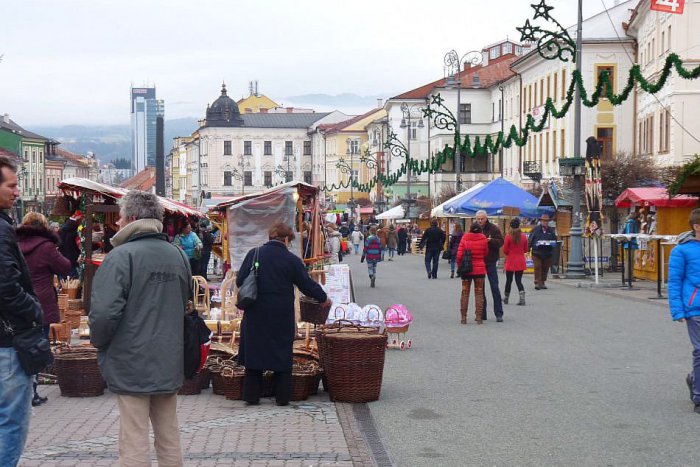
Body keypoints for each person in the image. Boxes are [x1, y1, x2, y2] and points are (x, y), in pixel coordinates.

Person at [90, 190, 190, 466]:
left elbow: (103, 314)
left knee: (133, 437)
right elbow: (185, 304)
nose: (118, 224)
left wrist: (100, 344)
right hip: (169, 357)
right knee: (169, 436)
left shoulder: (120, 257)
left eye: (120, 218)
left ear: (133, 218)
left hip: (130, 358)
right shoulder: (177, 254)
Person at [236, 222, 330, 405]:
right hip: (280, 314)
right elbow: (306, 284)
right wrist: (323, 297)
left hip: (255, 312)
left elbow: (240, 280)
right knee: (281, 354)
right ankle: (282, 398)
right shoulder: (291, 260)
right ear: (286, 239)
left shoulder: (254, 254)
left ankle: (251, 397)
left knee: (255, 354)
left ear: (270, 237)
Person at [0, 156, 43, 466]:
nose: (17, 192)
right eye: (12, 186)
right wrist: (35, 310)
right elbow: (6, 287)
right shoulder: (1, 231)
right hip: (9, 342)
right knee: (11, 422)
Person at [17, 212, 72, 407]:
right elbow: (65, 267)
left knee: (20, 347)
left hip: (19, 302)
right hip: (41, 303)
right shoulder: (46, 247)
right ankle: (31, 392)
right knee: (38, 346)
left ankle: (24, 391)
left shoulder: (14, 245)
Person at [668, 208, 700, 414]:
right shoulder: (681, 250)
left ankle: (693, 378)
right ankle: (699, 395)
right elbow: (674, 281)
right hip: (695, 307)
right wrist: (677, 310)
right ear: (696, 227)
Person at [456, 222, 488, 324]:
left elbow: (459, 255)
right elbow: (486, 252)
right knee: (479, 293)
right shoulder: (483, 238)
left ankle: (463, 317)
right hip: (480, 269)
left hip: (466, 269)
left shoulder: (465, 238)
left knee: (465, 293)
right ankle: (479, 317)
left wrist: (460, 266)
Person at [475, 210, 504, 322]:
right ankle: (482, 313)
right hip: (479, 261)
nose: (480, 221)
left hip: (491, 261)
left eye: (482, 218)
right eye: (478, 219)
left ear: (486, 218)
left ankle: (499, 313)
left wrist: (490, 241)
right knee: (480, 288)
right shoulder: (474, 229)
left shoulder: (493, 228)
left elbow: (500, 242)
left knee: (494, 287)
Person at [528, 213, 557, 290]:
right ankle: (537, 282)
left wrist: (552, 244)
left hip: (548, 253)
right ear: (541, 221)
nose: (545, 222)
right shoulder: (535, 229)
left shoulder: (551, 230)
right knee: (537, 267)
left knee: (545, 268)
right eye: (543, 221)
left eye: (546, 221)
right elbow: (530, 240)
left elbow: (554, 240)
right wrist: (529, 248)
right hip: (536, 252)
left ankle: (543, 282)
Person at [503, 217, 528, 306]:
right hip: (520, 260)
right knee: (518, 280)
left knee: (508, 280)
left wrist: (510, 252)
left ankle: (506, 298)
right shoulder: (524, 236)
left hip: (511, 260)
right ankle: (522, 299)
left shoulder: (508, 236)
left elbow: (505, 250)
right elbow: (525, 250)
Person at [58, 210, 83, 278]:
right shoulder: (76, 231)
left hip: (62, 260)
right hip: (73, 261)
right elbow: (80, 245)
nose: (81, 222)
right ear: (78, 220)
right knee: (73, 284)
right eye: (81, 220)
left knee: (64, 284)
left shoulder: (61, 229)